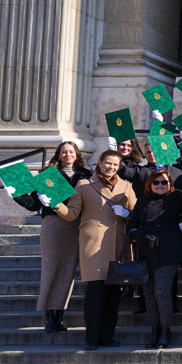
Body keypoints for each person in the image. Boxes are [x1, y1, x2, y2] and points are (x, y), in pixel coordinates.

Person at [48, 150, 137, 351]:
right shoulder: (84, 185)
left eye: (115, 165)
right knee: (95, 294)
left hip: (117, 243)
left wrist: (127, 213)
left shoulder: (126, 186)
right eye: (108, 163)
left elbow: (137, 214)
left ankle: (107, 335)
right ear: (100, 163)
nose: (111, 167)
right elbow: (71, 214)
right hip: (94, 244)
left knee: (113, 295)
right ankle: (92, 337)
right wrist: (55, 205)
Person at [10, 141, 90, 333]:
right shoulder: (48, 175)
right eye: (64, 152)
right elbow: (33, 204)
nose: (68, 154)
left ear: (77, 154)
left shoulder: (87, 175)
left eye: (71, 151)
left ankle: (60, 314)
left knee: (67, 273)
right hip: (53, 226)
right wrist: (16, 194)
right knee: (51, 269)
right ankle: (48, 315)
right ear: (59, 154)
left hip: (76, 226)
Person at [126, 168, 182, 348]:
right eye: (156, 182)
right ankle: (154, 330)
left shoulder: (176, 198)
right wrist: (140, 234)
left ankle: (165, 330)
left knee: (161, 291)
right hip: (146, 251)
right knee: (149, 294)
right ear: (150, 184)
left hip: (168, 251)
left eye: (164, 182)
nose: (160, 185)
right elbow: (130, 227)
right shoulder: (143, 202)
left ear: (170, 184)